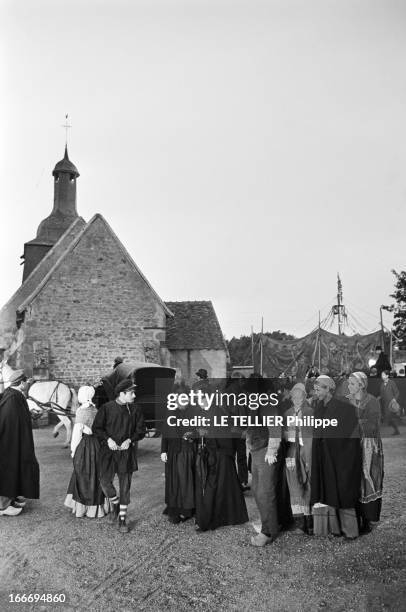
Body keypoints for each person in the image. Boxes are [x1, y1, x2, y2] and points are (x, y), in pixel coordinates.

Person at [310, 375, 362, 540]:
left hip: (341, 457)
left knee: (343, 491)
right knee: (329, 490)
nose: (315, 392)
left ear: (328, 389)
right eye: (315, 389)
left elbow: (351, 432)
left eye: (319, 389)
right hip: (324, 456)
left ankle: (351, 531)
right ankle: (335, 529)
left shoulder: (343, 407)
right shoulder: (319, 406)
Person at [93, 379, 146, 533]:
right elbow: (97, 428)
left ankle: (122, 518)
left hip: (126, 453)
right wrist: (108, 439)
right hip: (108, 452)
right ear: (122, 394)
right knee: (104, 481)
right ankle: (115, 504)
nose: (134, 395)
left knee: (125, 486)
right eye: (131, 393)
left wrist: (130, 440)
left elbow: (141, 430)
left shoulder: (136, 409)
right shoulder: (106, 408)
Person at [245, 376, 281, 547]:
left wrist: (272, 449)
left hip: (266, 451)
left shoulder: (266, 402)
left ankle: (268, 531)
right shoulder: (255, 403)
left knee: (265, 492)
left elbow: (275, 427)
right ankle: (267, 523)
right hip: (256, 449)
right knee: (257, 489)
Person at [64, 386, 109, 518]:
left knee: (83, 473)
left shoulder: (81, 411)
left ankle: (84, 508)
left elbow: (77, 433)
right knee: (96, 474)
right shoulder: (96, 409)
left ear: (82, 396)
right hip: (97, 445)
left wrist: (73, 451)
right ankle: (99, 507)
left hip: (85, 446)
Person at [347, 372, 384, 533]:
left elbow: (373, 424)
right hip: (352, 445)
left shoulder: (372, 401)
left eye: (352, 383)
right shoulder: (346, 400)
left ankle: (367, 519)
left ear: (361, 385)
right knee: (353, 479)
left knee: (368, 477)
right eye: (349, 383)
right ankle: (354, 517)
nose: (349, 386)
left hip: (369, 445)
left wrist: (354, 423)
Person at [0, 370, 40, 517]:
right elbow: (8, 421)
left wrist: (30, 415)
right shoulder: (12, 397)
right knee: (8, 470)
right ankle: (3, 507)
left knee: (16, 469)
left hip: (16, 441)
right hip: (10, 443)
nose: (27, 384)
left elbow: (19, 416)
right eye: (26, 382)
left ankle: (11, 499)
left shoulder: (14, 395)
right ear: (21, 383)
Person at [282, 383, 313, 535]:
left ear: (305, 398)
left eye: (300, 398)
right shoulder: (287, 413)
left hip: (306, 451)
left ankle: (310, 522)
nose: (297, 400)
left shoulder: (310, 412)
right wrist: (290, 433)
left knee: (308, 484)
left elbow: (313, 433)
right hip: (291, 451)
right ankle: (299, 523)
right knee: (293, 485)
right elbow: (283, 434)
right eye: (294, 397)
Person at [161, 398, 196, 524]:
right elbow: (165, 433)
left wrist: (191, 436)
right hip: (172, 452)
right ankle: (174, 508)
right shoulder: (170, 412)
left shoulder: (192, 413)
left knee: (185, 481)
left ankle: (186, 510)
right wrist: (163, 450)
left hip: (186, 452)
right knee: (173, 481)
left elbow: (197, 431)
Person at [379, 370, 401, 435]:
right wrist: (378, 398)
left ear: (387, 376)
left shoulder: (392, 383)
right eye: (381, 375)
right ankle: (396, 428)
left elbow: (397, 392)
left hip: (391, 404)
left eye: (383, 375)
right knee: (388, 418)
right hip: (385, 404)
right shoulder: (382, 384)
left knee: (390, 417)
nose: (381, 376)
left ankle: (397, 430)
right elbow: (382, 395)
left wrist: (394, 399)